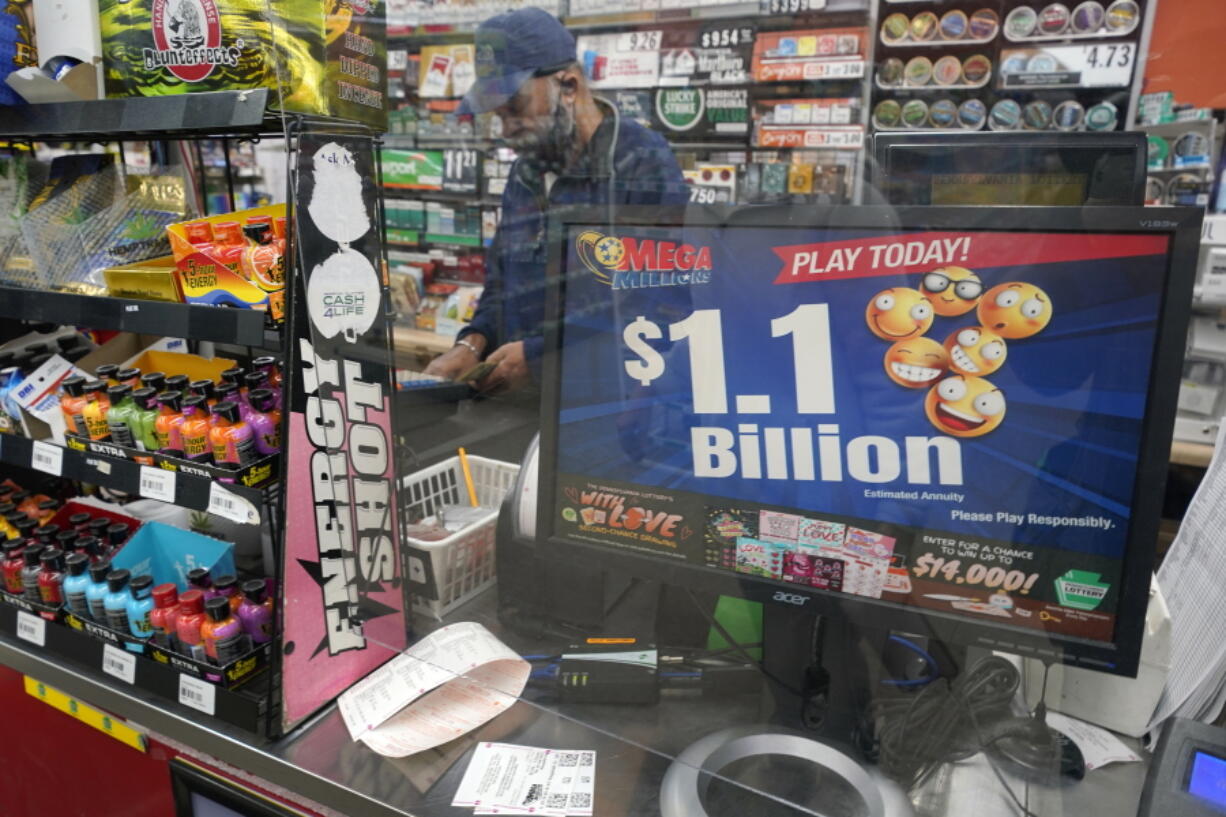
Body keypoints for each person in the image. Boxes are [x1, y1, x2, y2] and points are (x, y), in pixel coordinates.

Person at [424, 8, 688, 394]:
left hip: (605, 407)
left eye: (515, 108)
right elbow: (503, 280)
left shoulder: (641, 162)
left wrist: (539, 356)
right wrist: (472, 342)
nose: (506, 129)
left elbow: (656, 301)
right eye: (497, 115)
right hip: (518, 405)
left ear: (568, 86)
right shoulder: (525, 171)